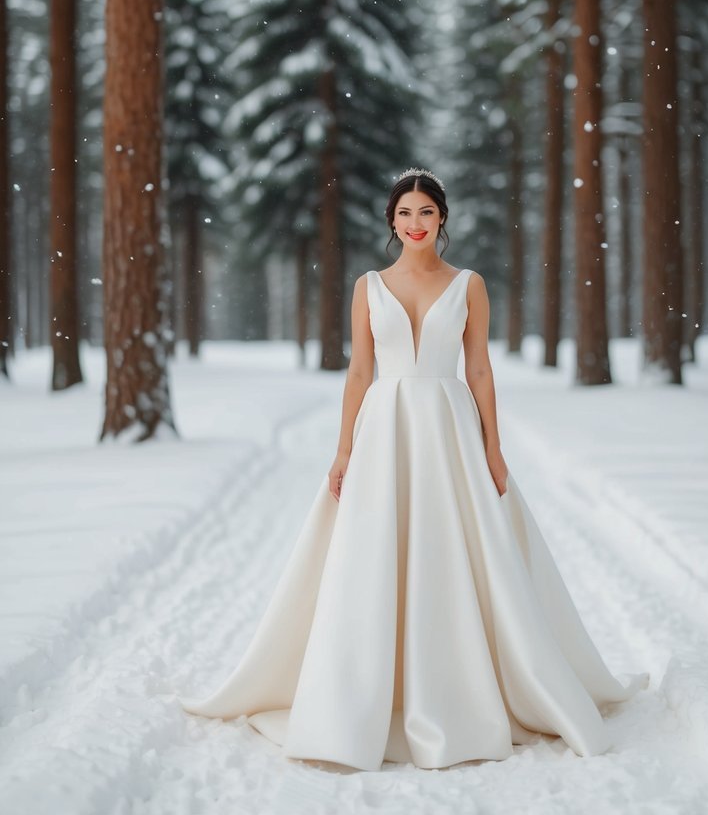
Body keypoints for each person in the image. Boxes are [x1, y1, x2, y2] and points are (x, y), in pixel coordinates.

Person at [178, 167, 648, 770]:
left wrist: (494, 448)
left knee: (458, 550)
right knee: (376, 551)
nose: (416, 223)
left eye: (426, 212)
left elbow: (479, 370)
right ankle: (370, 691)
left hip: (450, 426)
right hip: (385, 429)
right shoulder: (369, 286)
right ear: (392, 221)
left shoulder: (469, 285)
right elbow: (359, 372)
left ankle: (463, 688)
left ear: (442, 218)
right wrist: (344, 449)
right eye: (405, 213)